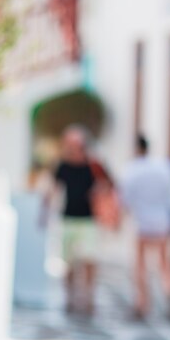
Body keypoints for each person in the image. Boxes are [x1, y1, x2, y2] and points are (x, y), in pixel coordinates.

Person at [119, 134, 170, 319]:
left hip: (141, 223)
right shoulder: (164, 166)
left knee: (140, 265)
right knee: (165, 263)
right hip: (163, 221)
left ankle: (141, 303)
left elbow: (124, 199)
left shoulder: (131, 170)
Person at [52, 125, 110, 315]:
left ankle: (89, 298)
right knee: (67, 261)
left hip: (88, 220)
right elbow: (53, 187)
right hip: (68, 218)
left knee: (89, 259)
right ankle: (70, 297)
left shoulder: (93, 166)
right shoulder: (63, 165)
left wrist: (99, 191)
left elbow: (109, 184)